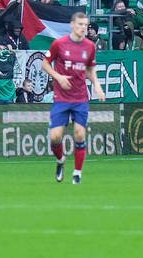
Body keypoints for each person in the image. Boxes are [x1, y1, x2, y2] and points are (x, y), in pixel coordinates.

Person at [41, 11, 105, 184]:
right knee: (55, 137)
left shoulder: (89, 46)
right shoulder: (59, 44)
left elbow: (90, 68)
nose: (83, 28)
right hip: (61, 97)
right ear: (72, 25)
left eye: (86, 25)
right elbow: (44, 63)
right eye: (80, 24)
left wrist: (97, 85)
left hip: (80, 97)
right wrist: (58, 77)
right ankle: (60, 160)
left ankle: (77, 172)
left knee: (79, 134)